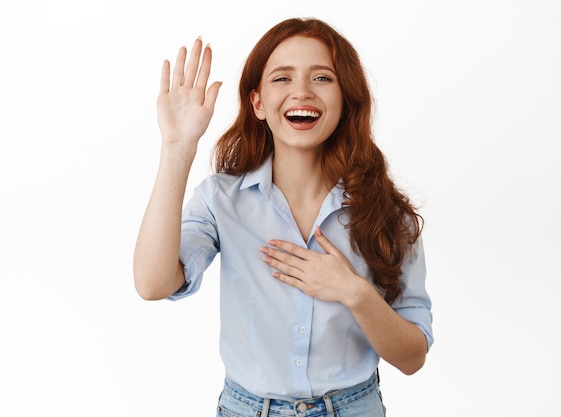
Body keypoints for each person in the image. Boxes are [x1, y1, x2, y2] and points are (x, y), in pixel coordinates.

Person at [133, 17, 433, 417]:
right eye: (282, 79)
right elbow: (153, 284)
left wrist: (354, 293)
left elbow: (412, 358)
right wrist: (177, 146)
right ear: (257, 102)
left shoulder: (388, 214)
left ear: (345, 99)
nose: (302, 92)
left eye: (323, 78)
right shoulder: (221, 201)